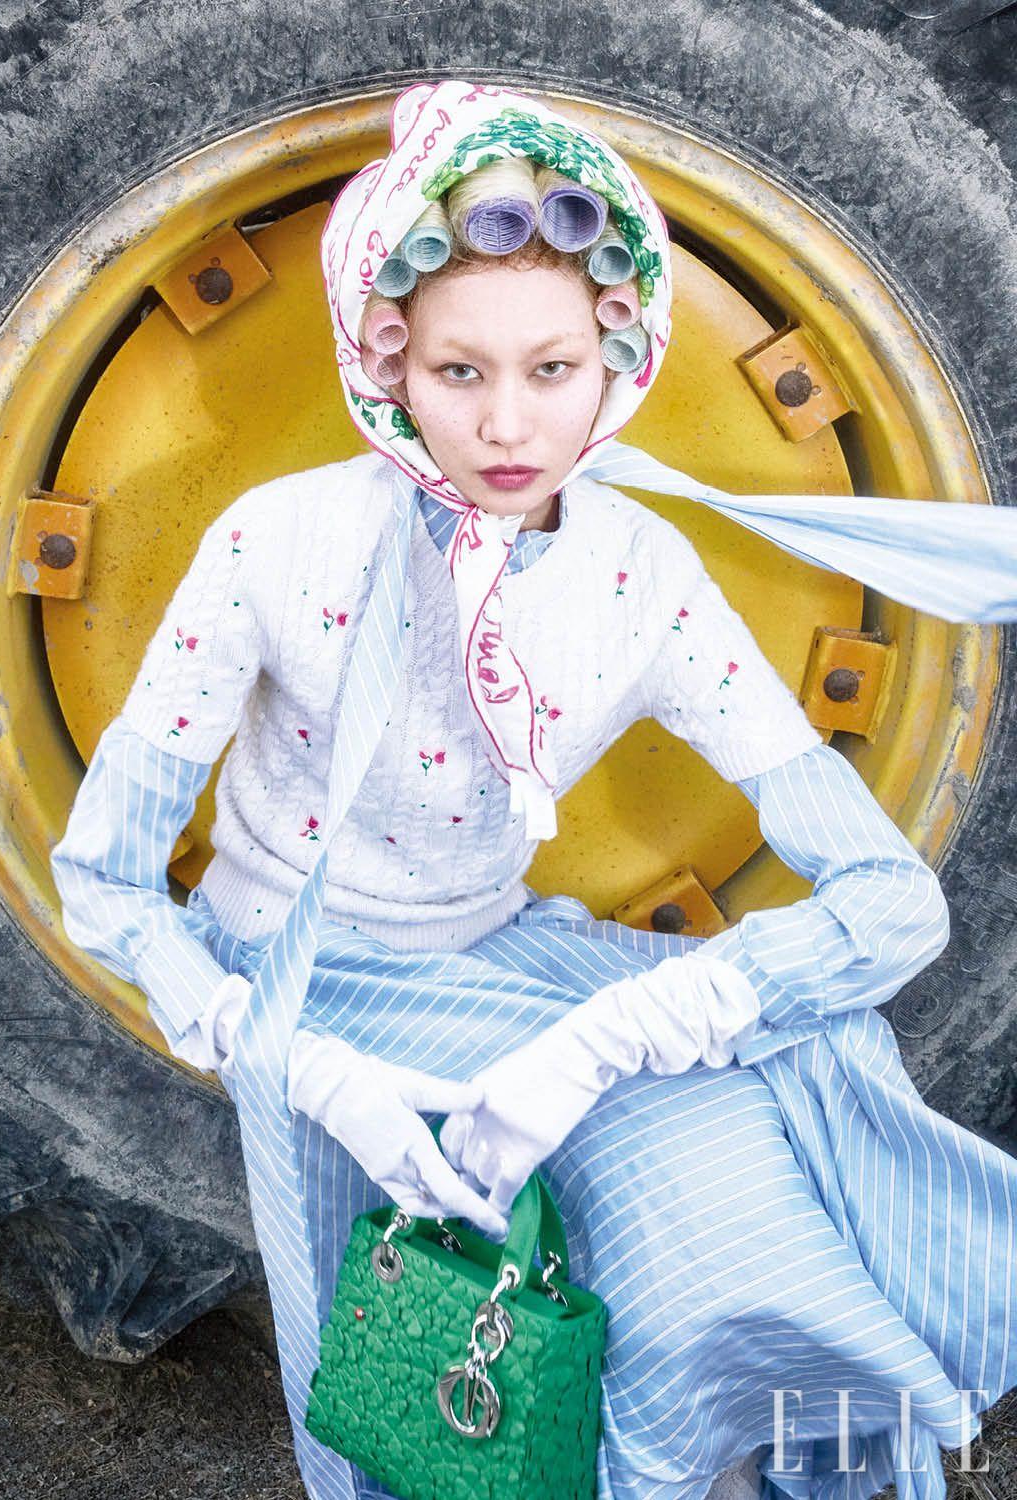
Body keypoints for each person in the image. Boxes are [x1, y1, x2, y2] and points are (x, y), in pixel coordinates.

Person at [50, 79, 1017, 1500]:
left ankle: (740, 1464)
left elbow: (893, 905)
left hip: (506, 962)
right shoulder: (277, 543)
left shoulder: (640, 574)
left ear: (618, 356)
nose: (509, 425)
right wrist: (300, 1066)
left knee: (736, 1189)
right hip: (299, 981)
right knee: (446, 1362)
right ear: (387, 359)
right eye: (461, 373)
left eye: (553, 369)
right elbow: (100, 880)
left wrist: (624, 1030)